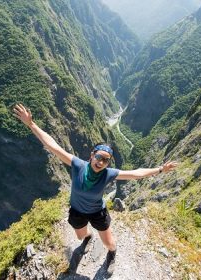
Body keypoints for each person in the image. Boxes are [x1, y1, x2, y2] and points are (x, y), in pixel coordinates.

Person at [13, 103, 177, 276]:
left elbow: (136, 174)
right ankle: (88, 238)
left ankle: (112, 254)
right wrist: (31, 124)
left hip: (98, 212)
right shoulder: (77, 165)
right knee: (81, 236)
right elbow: (53, 147)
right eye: (99, 156)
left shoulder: (108, 174)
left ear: (108, 163)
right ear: (92, 155)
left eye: (105, 160)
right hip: (77, 211)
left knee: (108, 243)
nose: (101, 162)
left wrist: (160, 169)